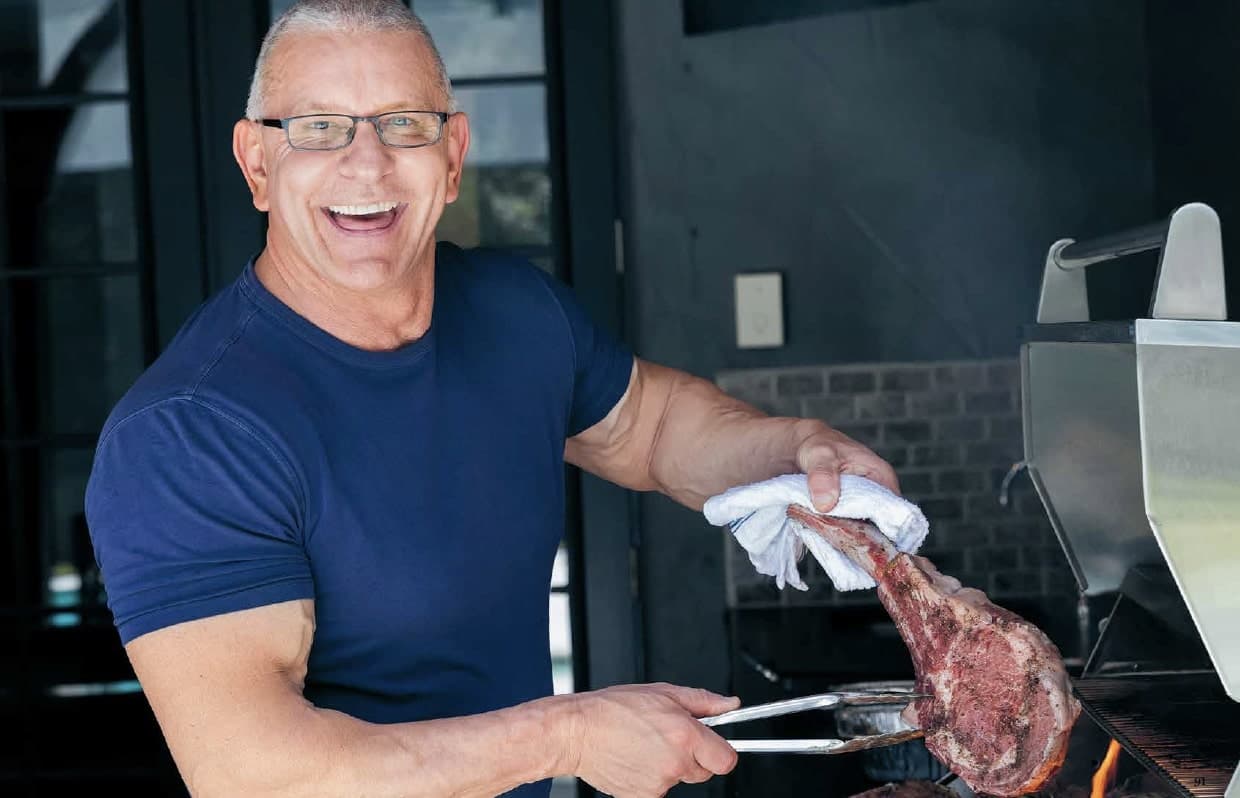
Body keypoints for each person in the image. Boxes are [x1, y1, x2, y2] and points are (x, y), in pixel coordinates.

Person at [83, 1, 899, 796]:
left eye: (404, 123)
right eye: (318, 128)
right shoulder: (187, 435)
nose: (365, 164)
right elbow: (255, 776)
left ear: (453, 154)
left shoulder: (515, 311)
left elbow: (651, 428)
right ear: (257, 164)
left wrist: (793, 451)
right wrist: (569, 735)